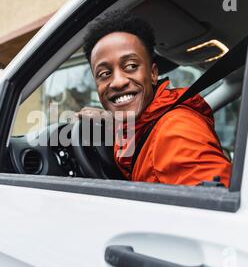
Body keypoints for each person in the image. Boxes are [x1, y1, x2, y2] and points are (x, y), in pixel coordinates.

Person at [79, 10, 231, 187]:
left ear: (153, 73)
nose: (118, 82)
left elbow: (217, 204)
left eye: (130, 66)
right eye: (104, 74)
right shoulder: (143, 124)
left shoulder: (176, 132)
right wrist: (112, 123)